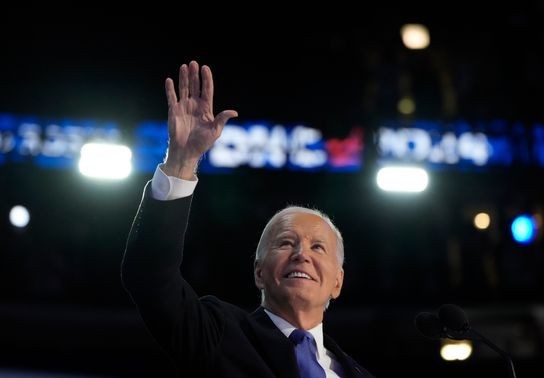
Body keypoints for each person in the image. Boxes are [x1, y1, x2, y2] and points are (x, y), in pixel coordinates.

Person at [121, 60, 374, 378]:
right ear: (259, 272)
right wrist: (181, 162)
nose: (301, 254)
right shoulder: (218, 335)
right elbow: (149, 277)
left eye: (318, 247)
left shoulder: (357, 374)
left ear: (337, 282)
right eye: (285, 242)